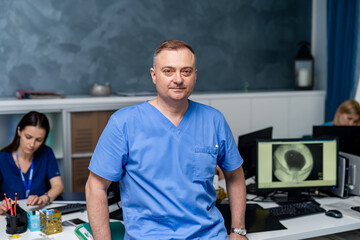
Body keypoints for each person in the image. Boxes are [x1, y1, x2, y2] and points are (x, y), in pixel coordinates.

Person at [86, 40, 247, 240]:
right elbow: (96, 187)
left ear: (195, 76)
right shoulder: (124, 123)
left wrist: (238, 229)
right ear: (154, 75)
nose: (178, 79)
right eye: (168, 71)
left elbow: (235, 175)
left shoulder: (213, 120)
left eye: (186, 71)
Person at [0, 111, 64, 215]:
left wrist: (44, 198)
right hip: (10, 217)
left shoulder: (46, 153)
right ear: (19, 131)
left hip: (38, 214)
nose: (32, 144)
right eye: (28, 137)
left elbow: (58, 186)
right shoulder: (2, 158)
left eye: (38, 140)